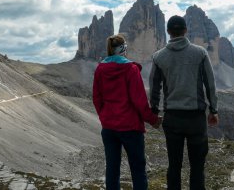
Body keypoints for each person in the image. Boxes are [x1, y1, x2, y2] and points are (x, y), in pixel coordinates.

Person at [149, 15, 219, 190]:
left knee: (174, 166)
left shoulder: (158, 57)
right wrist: (214, 110)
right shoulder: (200, 53)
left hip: (172, 118)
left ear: (168, 32)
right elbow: (210, 83)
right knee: (197, 167)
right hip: (196, 119)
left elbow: (154, 87)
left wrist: (153, 112)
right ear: (186, 30)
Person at [93, 34, 162, 190]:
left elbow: (97, 99)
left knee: (112, 168)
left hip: (109, 128)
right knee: (138, 170)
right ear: (123, 49)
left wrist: (104, 117)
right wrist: (153, 119)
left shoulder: (100, 69)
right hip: (130, 128)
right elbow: (140, 101)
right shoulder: (130, 69)